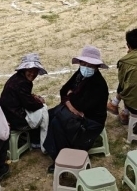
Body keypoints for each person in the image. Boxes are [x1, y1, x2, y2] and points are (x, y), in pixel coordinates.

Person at [43, 45, 108, 173]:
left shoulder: (98, 84)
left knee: (58, 121)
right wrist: (70, 104)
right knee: (51, 114)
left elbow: (80, 105)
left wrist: (70, 99)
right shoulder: (80, 74)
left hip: (90, 121)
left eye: (90, 65)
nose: (86, 67)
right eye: (83, 63)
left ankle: (60, 158)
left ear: (96, 67)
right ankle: (53, 149)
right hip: (76, 113)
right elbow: (63, 91)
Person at [0, 53, 49, 150]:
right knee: (44, 110)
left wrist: (33, 97)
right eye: (30, 71)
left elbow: (23, 97)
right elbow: (29, 105)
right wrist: (40, 102)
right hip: (14, 119)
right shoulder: (22, 82)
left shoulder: (17, 78)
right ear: (24, 69)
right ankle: (38, 142)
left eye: (35, 71)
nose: (33, 74)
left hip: (7, 114)